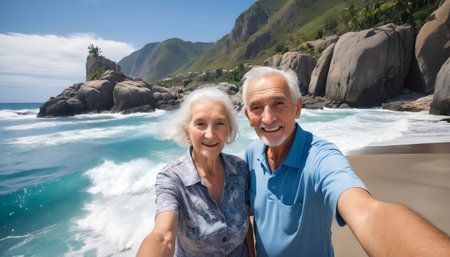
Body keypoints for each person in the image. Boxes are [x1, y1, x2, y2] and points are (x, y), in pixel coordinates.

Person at [241, 66, 450, 257]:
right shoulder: (252, 154)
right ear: (248, 116)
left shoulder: (320, 157)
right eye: (257, 107)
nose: (268, 118)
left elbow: (367, 213)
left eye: (278, 103)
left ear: (297, 108)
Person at [137, 87, 255, 257]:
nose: (210, 134)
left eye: (219, 123)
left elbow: (245, 221)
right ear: (187, 131)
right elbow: (163, 236)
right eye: (200, 124)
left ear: (228, 130)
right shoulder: (172, 178)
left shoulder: (240, 168)